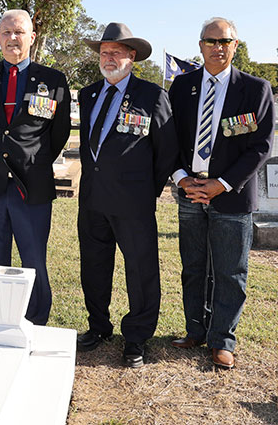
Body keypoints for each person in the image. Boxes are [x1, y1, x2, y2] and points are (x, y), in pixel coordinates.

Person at [168, 17, 273, 369]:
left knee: (230, 271)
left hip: (231, 195)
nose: (217, 47)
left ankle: (222, 339)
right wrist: (183, 178)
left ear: (235, 46)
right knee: (194, 267)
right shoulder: (182, 87)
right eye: (210, 41)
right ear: (200, 46)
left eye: (225, 41)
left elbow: (260, 147)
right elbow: (170, 139)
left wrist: (221, 184)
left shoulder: (256, 89)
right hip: (190, 190)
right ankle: (195, 331)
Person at [75, 23, 177, 368]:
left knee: (141, 270)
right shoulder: (88, 94)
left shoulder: (152, 96)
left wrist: (146, 191)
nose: (109, 58)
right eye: (104, 52)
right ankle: (98, 326)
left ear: (131, 57)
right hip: (92, 199)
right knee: (94, 266)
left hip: (133, 203)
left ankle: (136, 336)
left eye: (117, 51)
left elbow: (166, 151)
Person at [0, 10, 70, 325]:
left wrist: (31, 161)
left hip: (32, 187)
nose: (13, 38)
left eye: (19, 32)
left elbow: (59, 133)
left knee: (34, 259)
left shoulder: (52, 80)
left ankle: (36, 322)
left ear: (31, 37)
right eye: (6, 33)